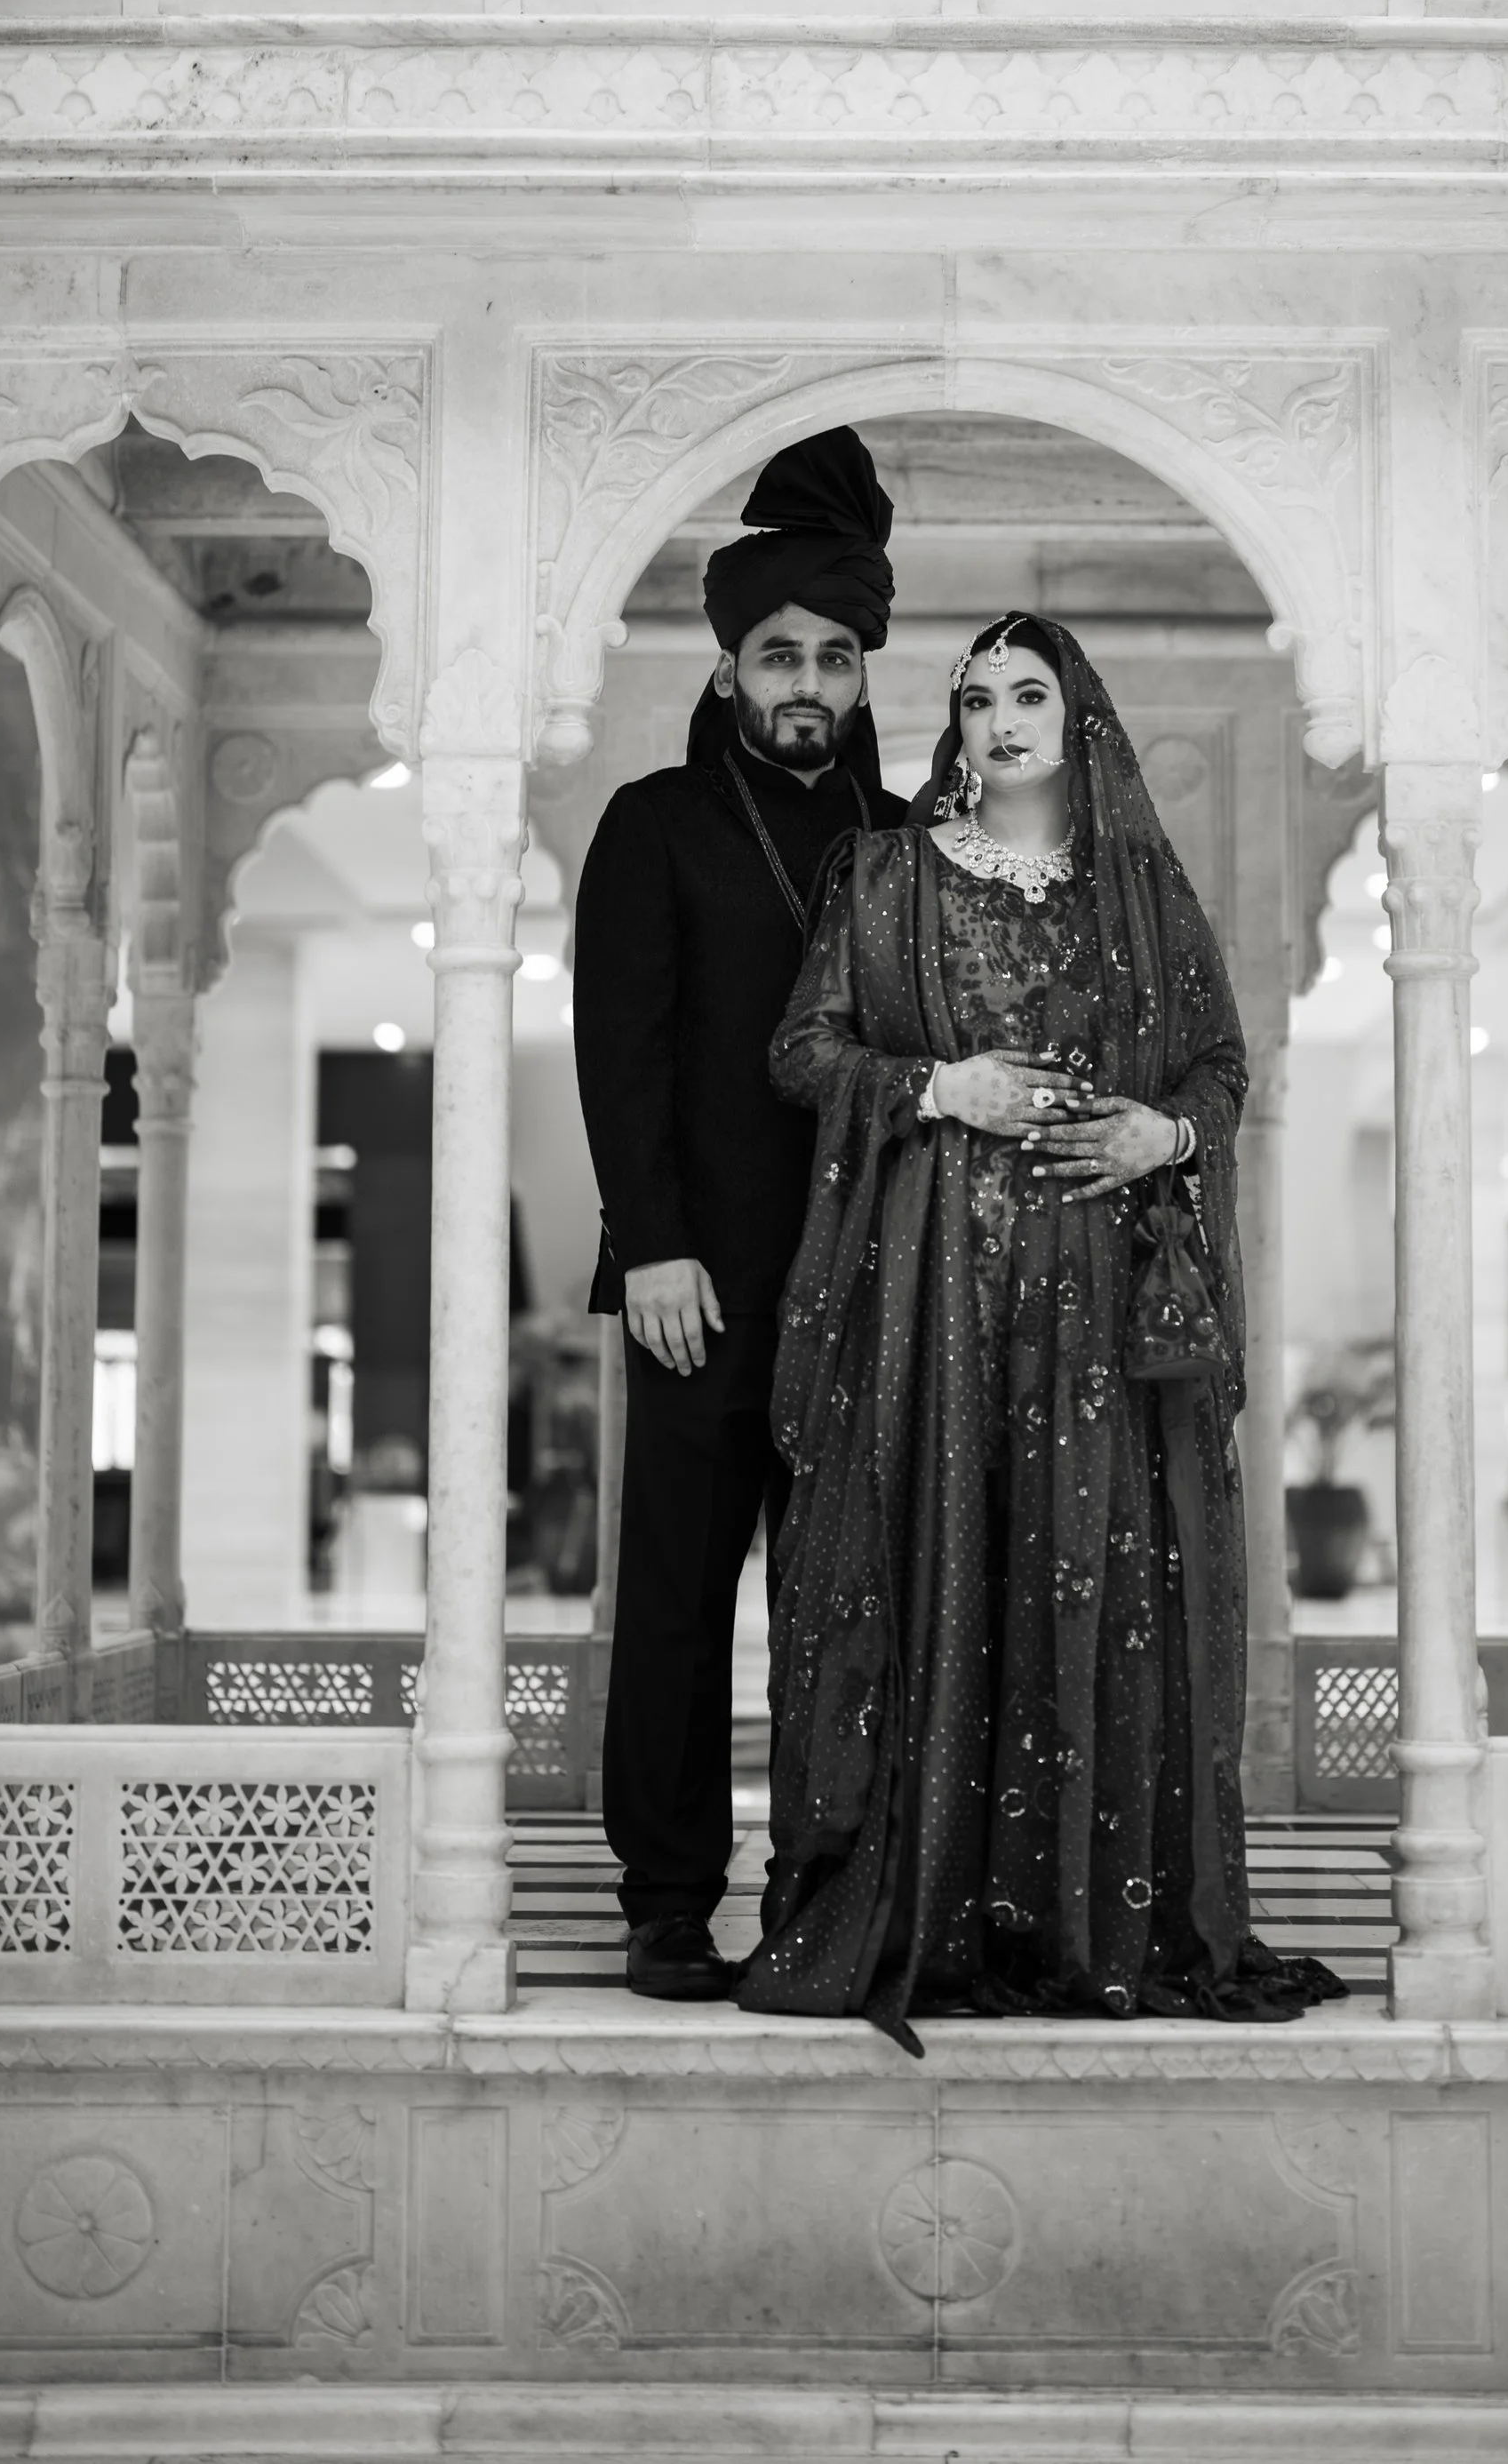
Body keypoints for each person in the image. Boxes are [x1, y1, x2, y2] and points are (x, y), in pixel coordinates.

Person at [736, 615, 1345, 2052]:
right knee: (934, 1554)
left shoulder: (1139, 890)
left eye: (1028, 694)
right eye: (973, 698)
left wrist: (1161, 1131)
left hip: (1100, 1304)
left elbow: (1220, 1063)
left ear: (1081, 720)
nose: (998, 719)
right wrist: (943, 1090)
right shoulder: (887, 876)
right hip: (931, 1289)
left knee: (1092, 1568)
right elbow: (802, 1050)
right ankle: (926, 1905)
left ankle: (1084, 1916)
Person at [572, 426, 909, 2001]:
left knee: (845, 1609)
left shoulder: (906, 851)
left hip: (864, 1293)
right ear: (727, 669)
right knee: (679, 1605)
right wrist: (649, 1244)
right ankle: (664, 1898)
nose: (810, 683)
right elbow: (617, 1053)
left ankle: (825, 1888)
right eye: (781, 654)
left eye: (836, 658)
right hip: (695, 1286)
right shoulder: (654, 824)